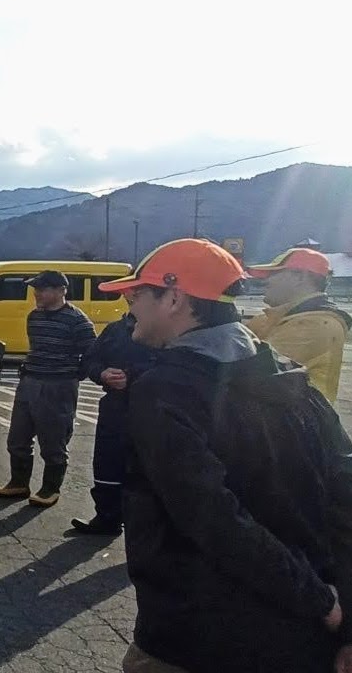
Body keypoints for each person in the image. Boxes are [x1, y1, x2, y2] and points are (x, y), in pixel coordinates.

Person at [97, 238, 352, 673]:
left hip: (194, 636)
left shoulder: (165, 392)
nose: (128, 304)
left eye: (136, 293)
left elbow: (213, 519)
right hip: (301, 637)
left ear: (174, 298)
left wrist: (320, 600)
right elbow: (342, 494)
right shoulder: (292, 378)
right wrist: (338, 614)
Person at [0, 270, 95, 507]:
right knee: (17, 438)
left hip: (58, 387)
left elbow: (92, 353)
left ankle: (50, 489)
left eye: (43, 289)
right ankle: (19, 483)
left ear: (61, 291)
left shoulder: (77, 321)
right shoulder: (34, 317)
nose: (37, 294)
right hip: (29, 382)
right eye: (35, 289)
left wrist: (73, 375)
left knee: (53, 441)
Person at [70, 311, 155, 535]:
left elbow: (170, 365)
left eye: (139, 291)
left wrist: (132, 375)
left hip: (150, 406)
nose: (132, 296)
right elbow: (90, 360)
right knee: (107, 462)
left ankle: (145, 526)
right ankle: (107, 517)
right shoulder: (114, 330)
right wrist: (101, 373)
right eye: (130, 291)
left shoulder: (164, 330)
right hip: (114, 407)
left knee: (146, 467)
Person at [246, 247, 351, 403]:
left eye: (274, 274)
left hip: (291, 424)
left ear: (301, 277)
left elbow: (250, 376)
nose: (266, 280)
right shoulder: (277, 317)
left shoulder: (317, 325)